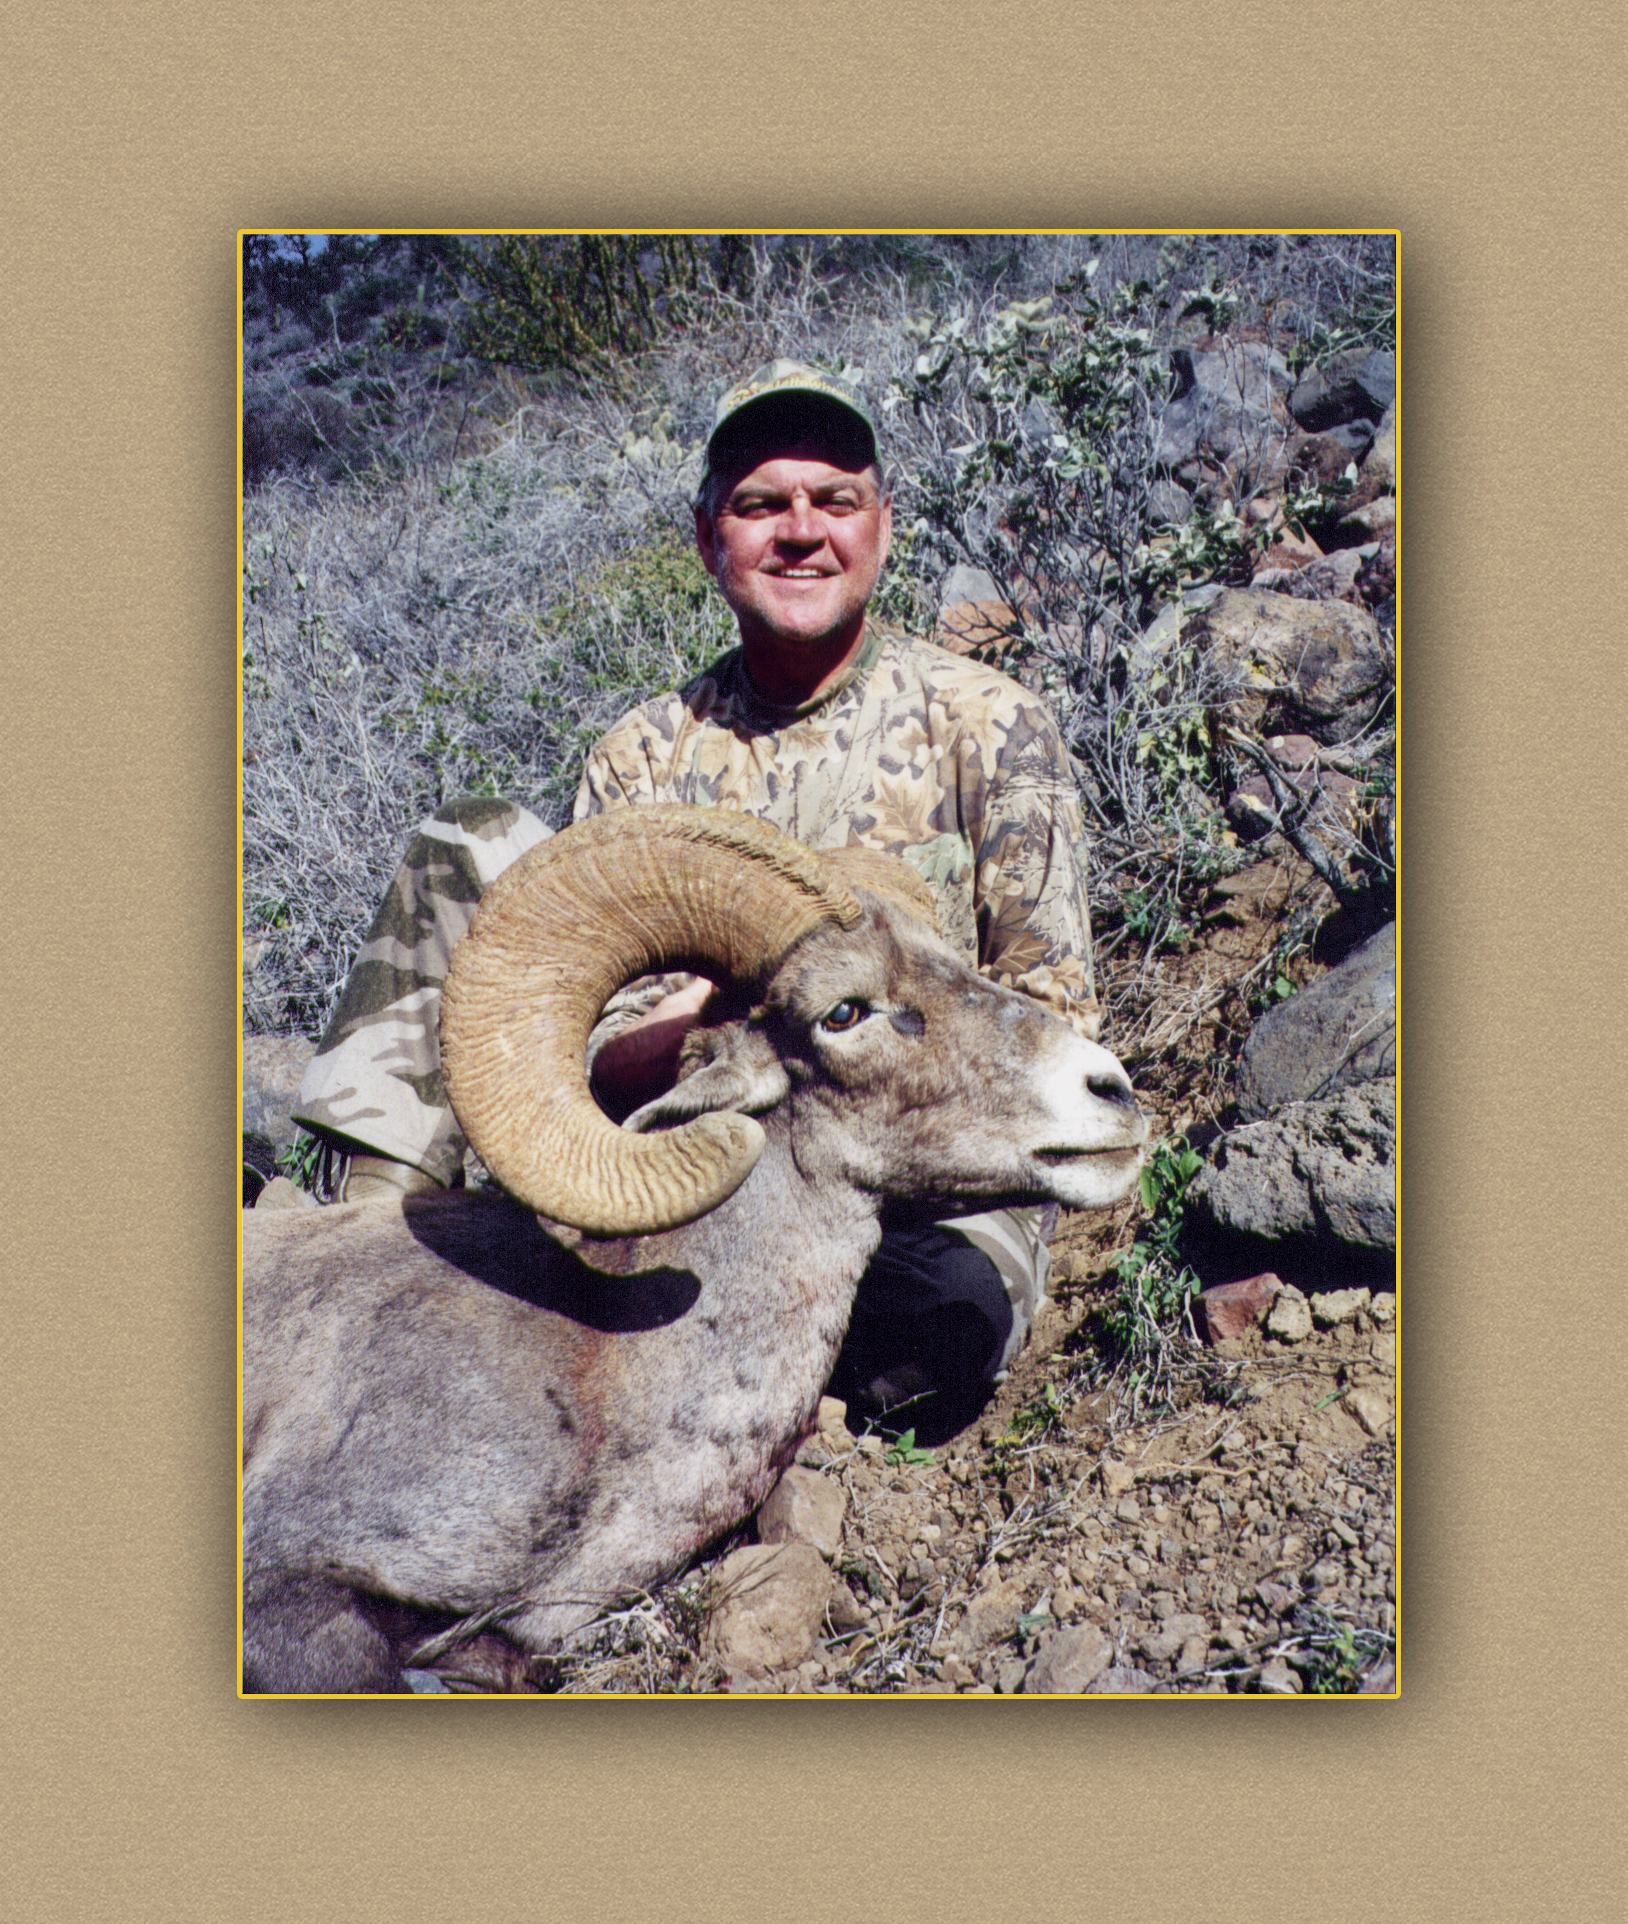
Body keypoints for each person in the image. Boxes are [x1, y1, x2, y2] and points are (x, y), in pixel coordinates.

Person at [287, 359, 1102, 1440]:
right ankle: (365, 1266)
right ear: (709, 537)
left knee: (934, 1343)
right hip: (697, 1172)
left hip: (914, 1171)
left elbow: (1056, 1012)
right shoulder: (643, 754)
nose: (800, 530)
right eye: (761, 504)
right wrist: (744, 1029)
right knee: (469, 842)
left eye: (834, 500)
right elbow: (595, 1054)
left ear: (882, 526)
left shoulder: (990, 727)